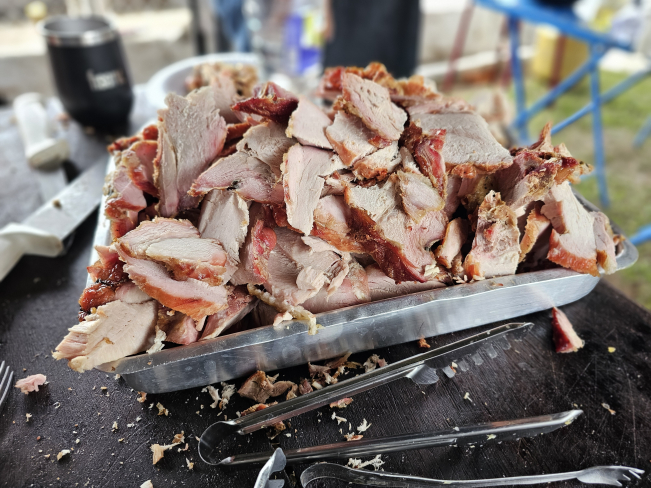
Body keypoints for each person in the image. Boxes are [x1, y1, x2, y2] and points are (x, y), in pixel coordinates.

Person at [322, 0, 420, 78]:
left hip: (389, 35)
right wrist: (327, 16)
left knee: (392, 83)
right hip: (347, 25)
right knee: (339, 81)